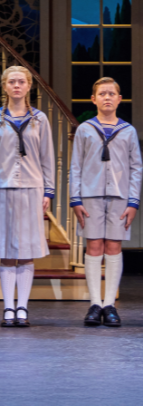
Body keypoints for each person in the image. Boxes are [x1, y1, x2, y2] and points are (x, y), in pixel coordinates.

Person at [0, 66, 55, 327]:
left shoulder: (40, 120)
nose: (16, 86)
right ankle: (7, 307)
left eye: (21, 82)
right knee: (6, 249)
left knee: (26, 249)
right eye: (11, 82)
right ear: (4, 86)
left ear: (29, 86)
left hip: (32, 189)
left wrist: (48, 190)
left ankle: (22, 306)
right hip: (2, 187)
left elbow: (47, 157)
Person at [70, 77, 142, 327]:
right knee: (93, 246)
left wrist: (133, 201)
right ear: (94, 99)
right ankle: (95, 304)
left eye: (112, 94)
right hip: (90, 195)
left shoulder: (128, 131)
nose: (107, 98)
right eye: (102, 94)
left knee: (113, 246)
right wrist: (75, 198)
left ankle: (109, 304)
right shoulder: (85, 129)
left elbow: (136, 168)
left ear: (119, 99)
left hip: (120, 196)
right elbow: (76, 166)